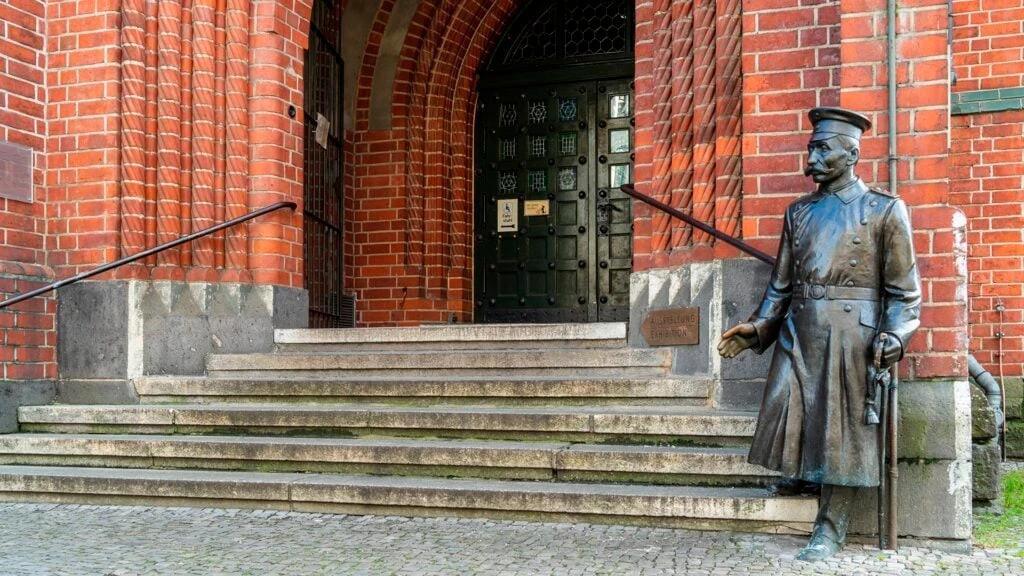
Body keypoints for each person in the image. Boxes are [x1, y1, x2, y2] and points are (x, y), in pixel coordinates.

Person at [717, 107, 921, 561]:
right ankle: (799, 475)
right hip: (800, 328)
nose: (811, 159)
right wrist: (759, 327)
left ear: (851, 154)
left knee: (841, 432)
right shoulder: (799, 212)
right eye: (811, 149)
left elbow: (905, 293)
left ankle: (829, 528)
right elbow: (781, 285)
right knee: (791, 408)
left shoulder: (884, 210)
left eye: (822, 149)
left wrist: (895, 336)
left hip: (852, 334)